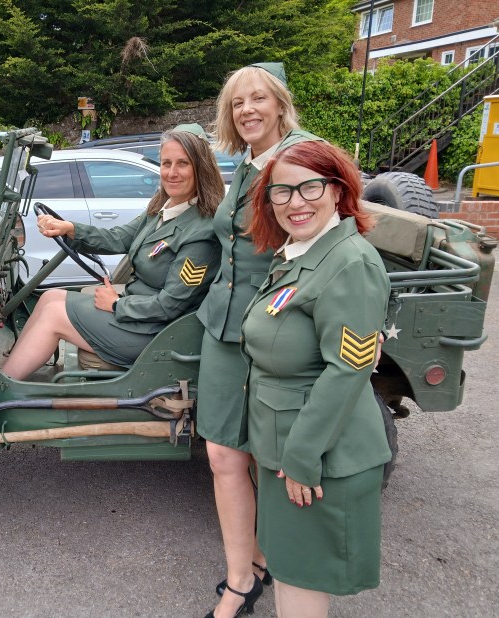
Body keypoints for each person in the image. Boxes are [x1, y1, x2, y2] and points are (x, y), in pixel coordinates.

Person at [242, 140, 393, 618]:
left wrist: (302, 458)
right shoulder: (303, 252)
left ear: (338, 190)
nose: (296, 202)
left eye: (310, 187)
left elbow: (349, 369)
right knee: (289, 569)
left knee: (301, 578)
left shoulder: (350, 262)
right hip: (286, 444)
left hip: (317, 454)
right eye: (282, 192)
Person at [194, 62, 322, 618]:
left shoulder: (302, 157)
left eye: (258, 99)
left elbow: (327, 246)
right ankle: (243, 576)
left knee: (271, 456)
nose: (247, 110)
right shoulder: (247, 163)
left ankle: (262, 565)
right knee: (225, 453)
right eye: (237, 102)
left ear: (280, 103)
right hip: (225, 326)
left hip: (273, 327)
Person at [1, 123, 223, 380]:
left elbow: (169, 306)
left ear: (200, 168)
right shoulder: (164, 209)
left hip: (155, 333)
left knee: (53, 315)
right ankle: (11, 369)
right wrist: (70, 229)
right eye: (166, 163)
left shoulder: (201, 233)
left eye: (182, 164)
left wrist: (117, 304)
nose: (171, 173)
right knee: (50, 297)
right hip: (138, 317)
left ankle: (2, 387)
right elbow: (119, 238)